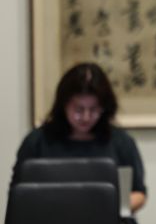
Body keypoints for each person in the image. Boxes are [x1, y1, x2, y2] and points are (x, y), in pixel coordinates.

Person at [11, 62, 147, 212]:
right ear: (64, 105)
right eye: (78, 109)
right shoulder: (37, 141)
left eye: (94, 109)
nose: (86, 117)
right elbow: (19, 194)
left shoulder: (121, 142)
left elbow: (138, 192)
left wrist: (112, 208)